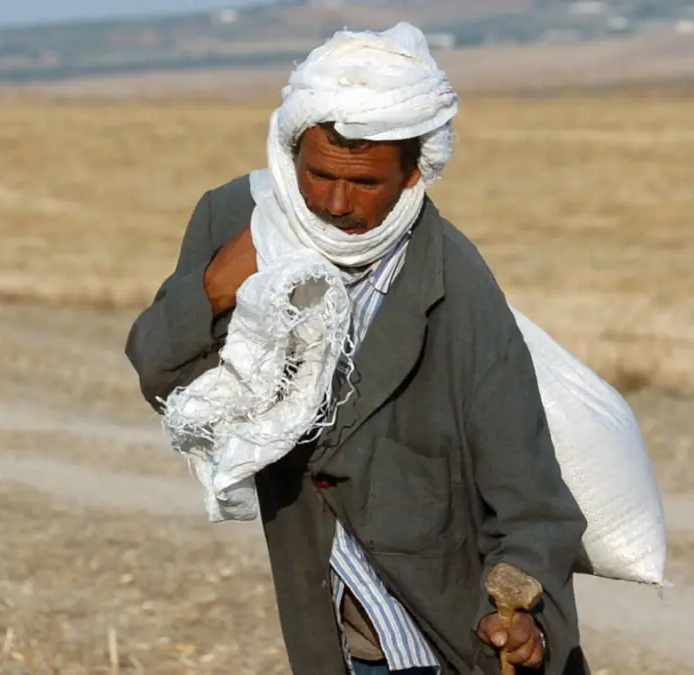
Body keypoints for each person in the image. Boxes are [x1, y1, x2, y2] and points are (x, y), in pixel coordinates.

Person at [125, 22, 589, 675]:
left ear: (412, 172)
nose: (336, 203)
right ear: (290, 150)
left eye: (365, 183)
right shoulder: (236, 218)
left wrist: (525, 616)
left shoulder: (452, 281)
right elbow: (158, 369)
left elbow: (532, 493)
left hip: (443, 630)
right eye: (317, 175)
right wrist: (214, 289)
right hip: (329, 619)